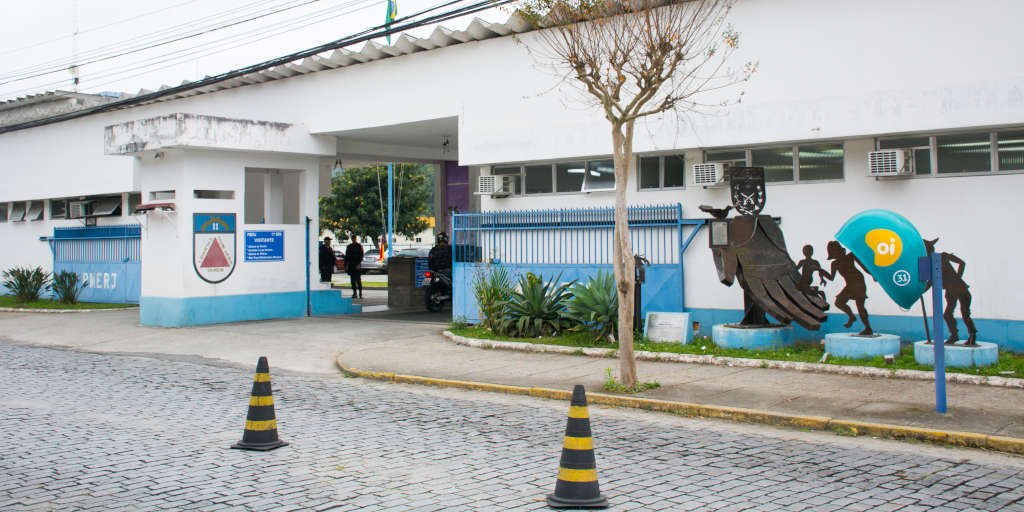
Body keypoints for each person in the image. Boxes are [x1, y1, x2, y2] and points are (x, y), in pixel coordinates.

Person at [924, 238, 978, 345]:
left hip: (960, 288)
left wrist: (957, 278)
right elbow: (930, 282)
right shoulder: (928, 264)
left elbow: (962, 263)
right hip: (951, 291)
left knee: (965, 313)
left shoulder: (943, 256)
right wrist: (919, 292)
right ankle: (954, 335)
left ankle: (972, 335)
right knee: (948, 314)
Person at [823, 240, 873, 335]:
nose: (835, 253)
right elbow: (831, 278)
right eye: (833, 252)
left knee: (860, 306)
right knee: (839, 302)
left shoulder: (851, 256)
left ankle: (868, 328)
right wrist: (820, 270)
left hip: (858, 283)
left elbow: (864, 267)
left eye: (836, 250)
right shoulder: (835, 264)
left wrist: (873, 275)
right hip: (849, 285)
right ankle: (851, 316)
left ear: (840, 250)